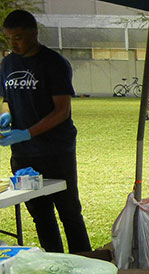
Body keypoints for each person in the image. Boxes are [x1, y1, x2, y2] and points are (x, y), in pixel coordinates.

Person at [0, 10, 91, 254]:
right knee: (40, 214)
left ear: (34, 33)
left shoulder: (53, 63)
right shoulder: (8, 63)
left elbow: (62, 110)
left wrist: (28, 132)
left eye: (18, 37)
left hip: (56, 150)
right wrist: (5, 115)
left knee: (69, 212)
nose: (14, 43)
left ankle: (83, 260)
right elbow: (6, 98)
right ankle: (55, 262)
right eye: (9, 37)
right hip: (23, 155)